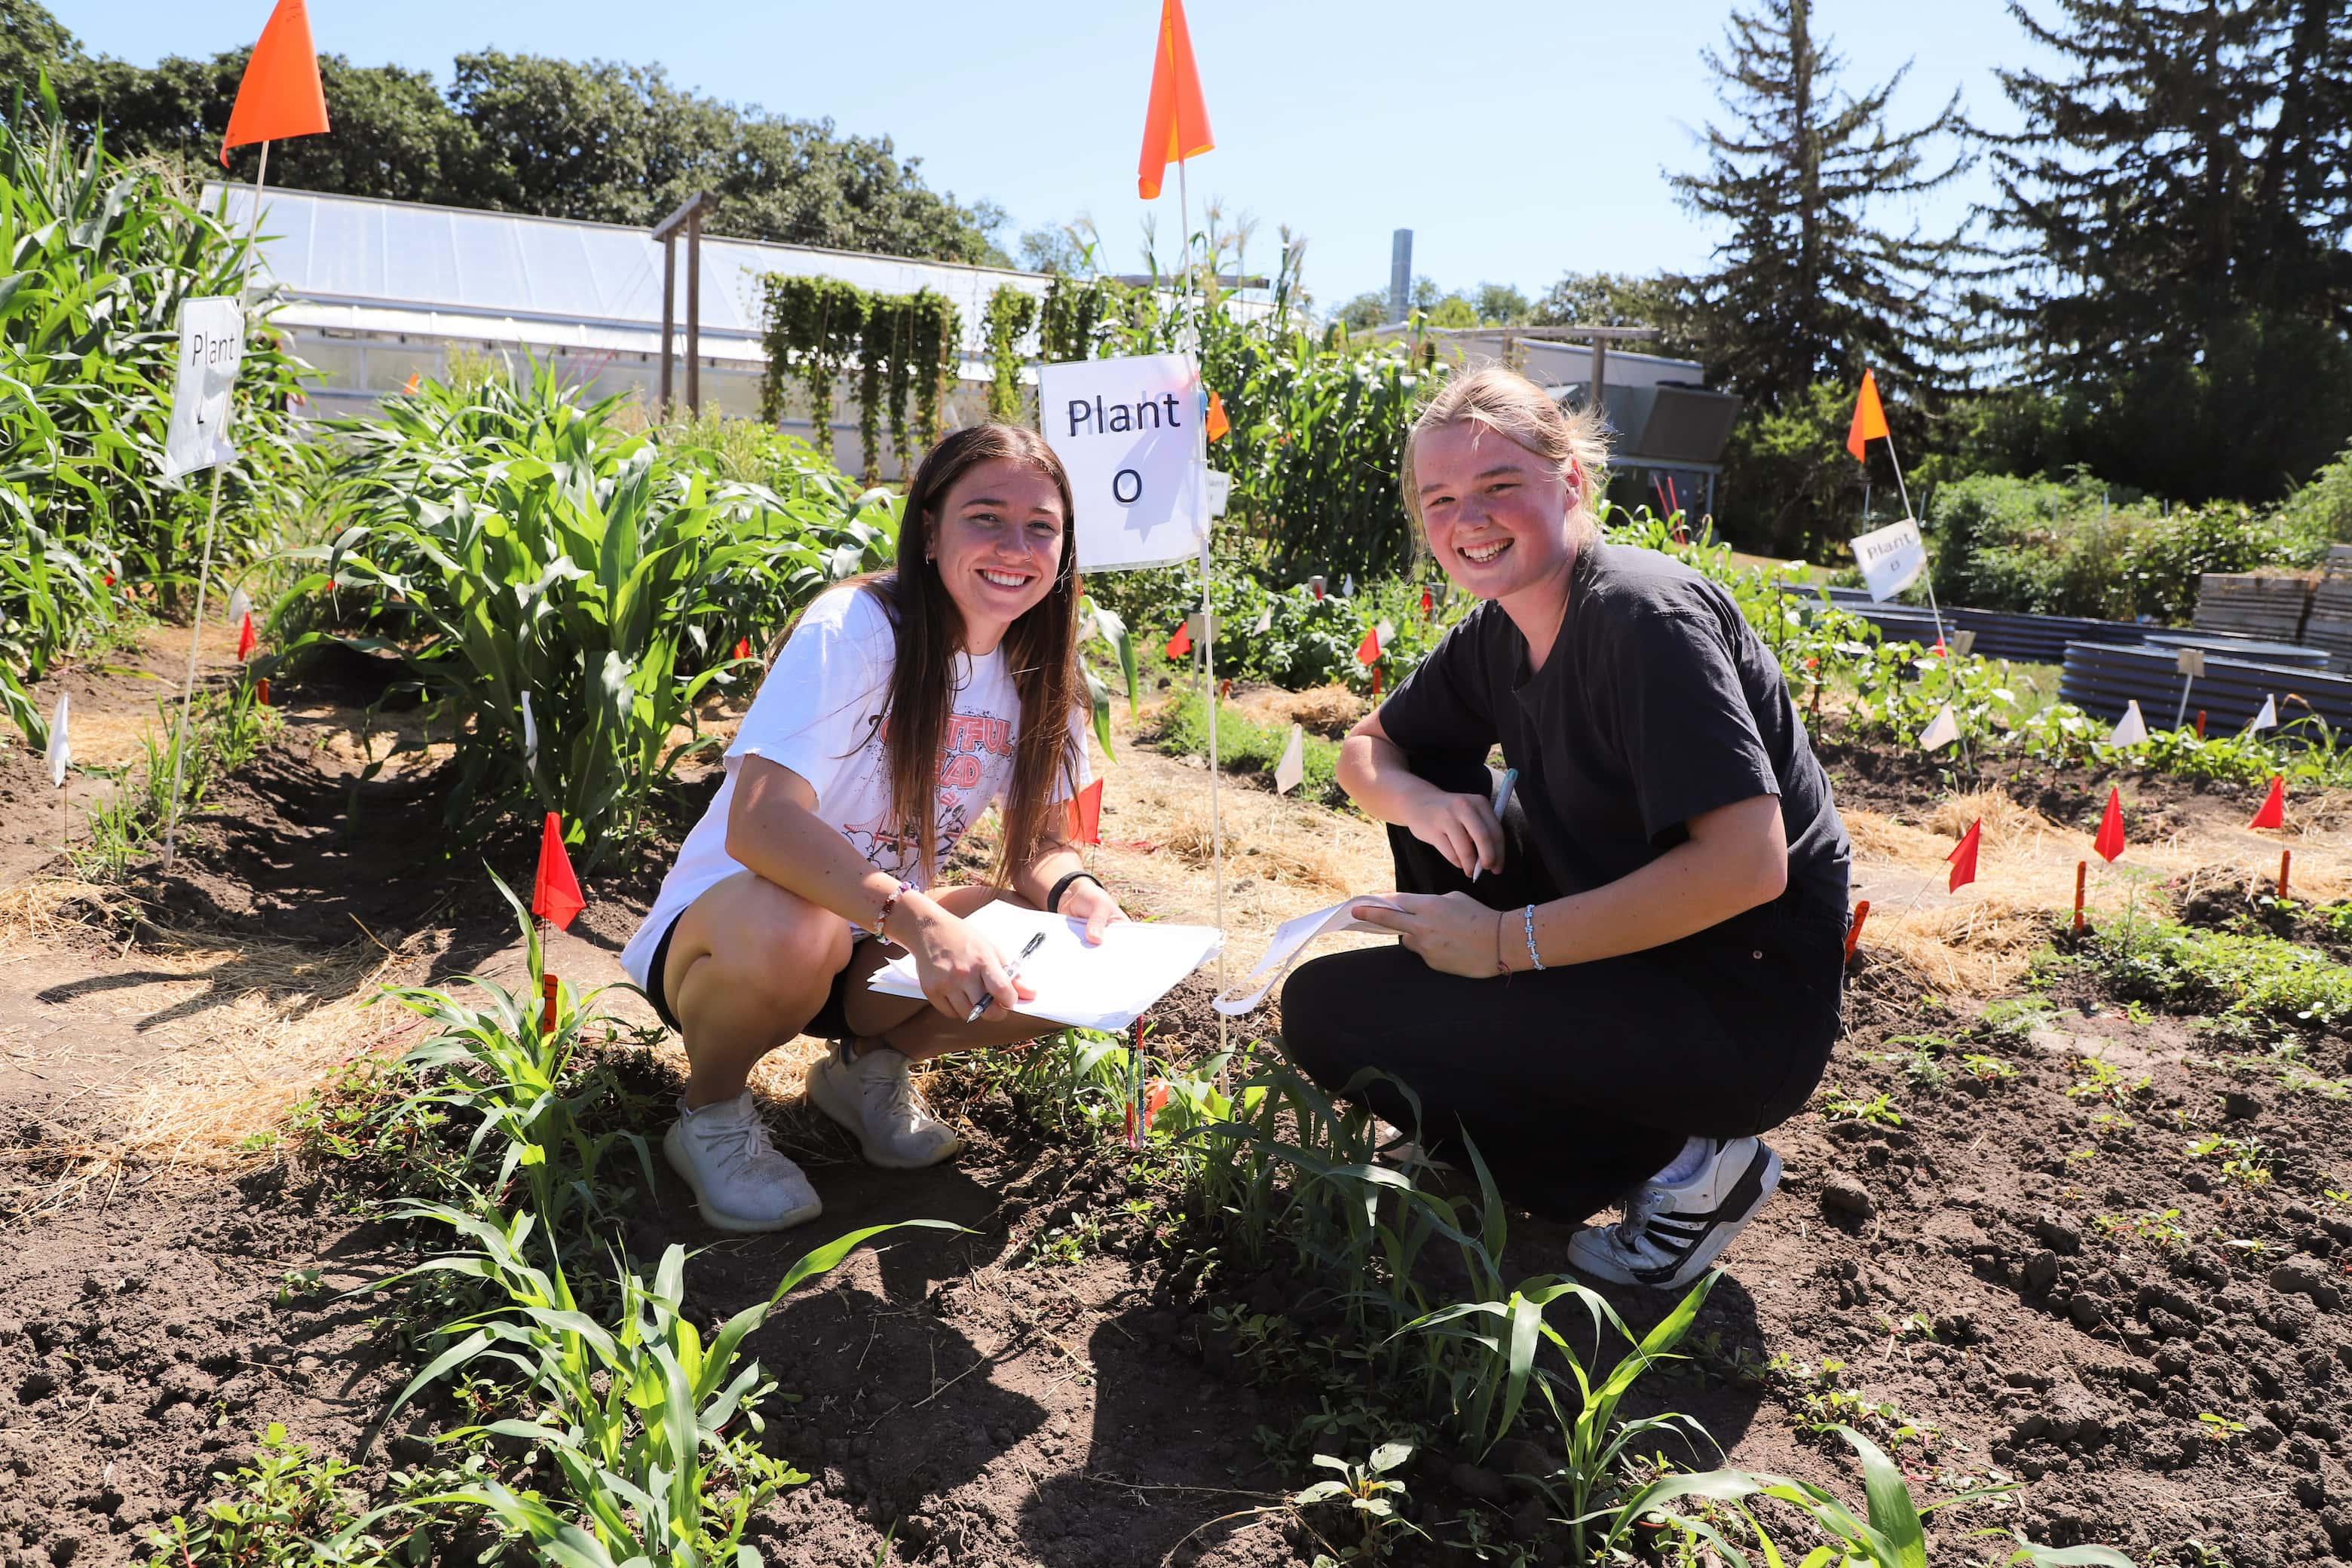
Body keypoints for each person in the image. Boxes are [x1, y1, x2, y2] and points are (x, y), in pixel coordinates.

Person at [1279, 366, 1851, 1290]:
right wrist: (1430, 804)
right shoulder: (1499, 631)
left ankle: (1692, 1164)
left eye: (1500, 486)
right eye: (1442, 499)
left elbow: (1750, 867)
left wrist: (1503, 942)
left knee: (1330, 1011)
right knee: (1429, 805)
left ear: (1571, 482)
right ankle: (1576, 1155)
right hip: (1614, 959)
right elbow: (1366, 754)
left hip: (1736, 1007)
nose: (1471, 518)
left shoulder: (1641, 617)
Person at [620, 424, 1127, 1233]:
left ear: (1063, 551)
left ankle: (864, 1070)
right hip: (738, 933)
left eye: (1042, 527)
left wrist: (1076, 889)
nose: (1015, 545)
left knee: (1053, 948)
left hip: (870, 943)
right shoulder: (857, 628)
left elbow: (1040, 843)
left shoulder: (1046, 673)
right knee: (799, 920)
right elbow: (761, 822)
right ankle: (710, 1110)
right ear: (930, 532)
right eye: (985, 517)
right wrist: (916, 917)